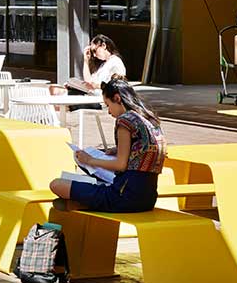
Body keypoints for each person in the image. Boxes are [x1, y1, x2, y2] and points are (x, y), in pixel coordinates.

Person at [49, 78, 167, 213]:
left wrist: (89, 160)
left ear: (117, 98)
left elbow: (120, 165)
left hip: (123, 196)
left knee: (57, 185)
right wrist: (118, 150)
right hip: (148, 199)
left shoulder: (125, 121)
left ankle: (80, 204)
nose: (109, 112)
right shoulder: (150, 119)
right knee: (73, 194)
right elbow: (143, 149)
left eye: (108, 105)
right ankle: (80, 204)